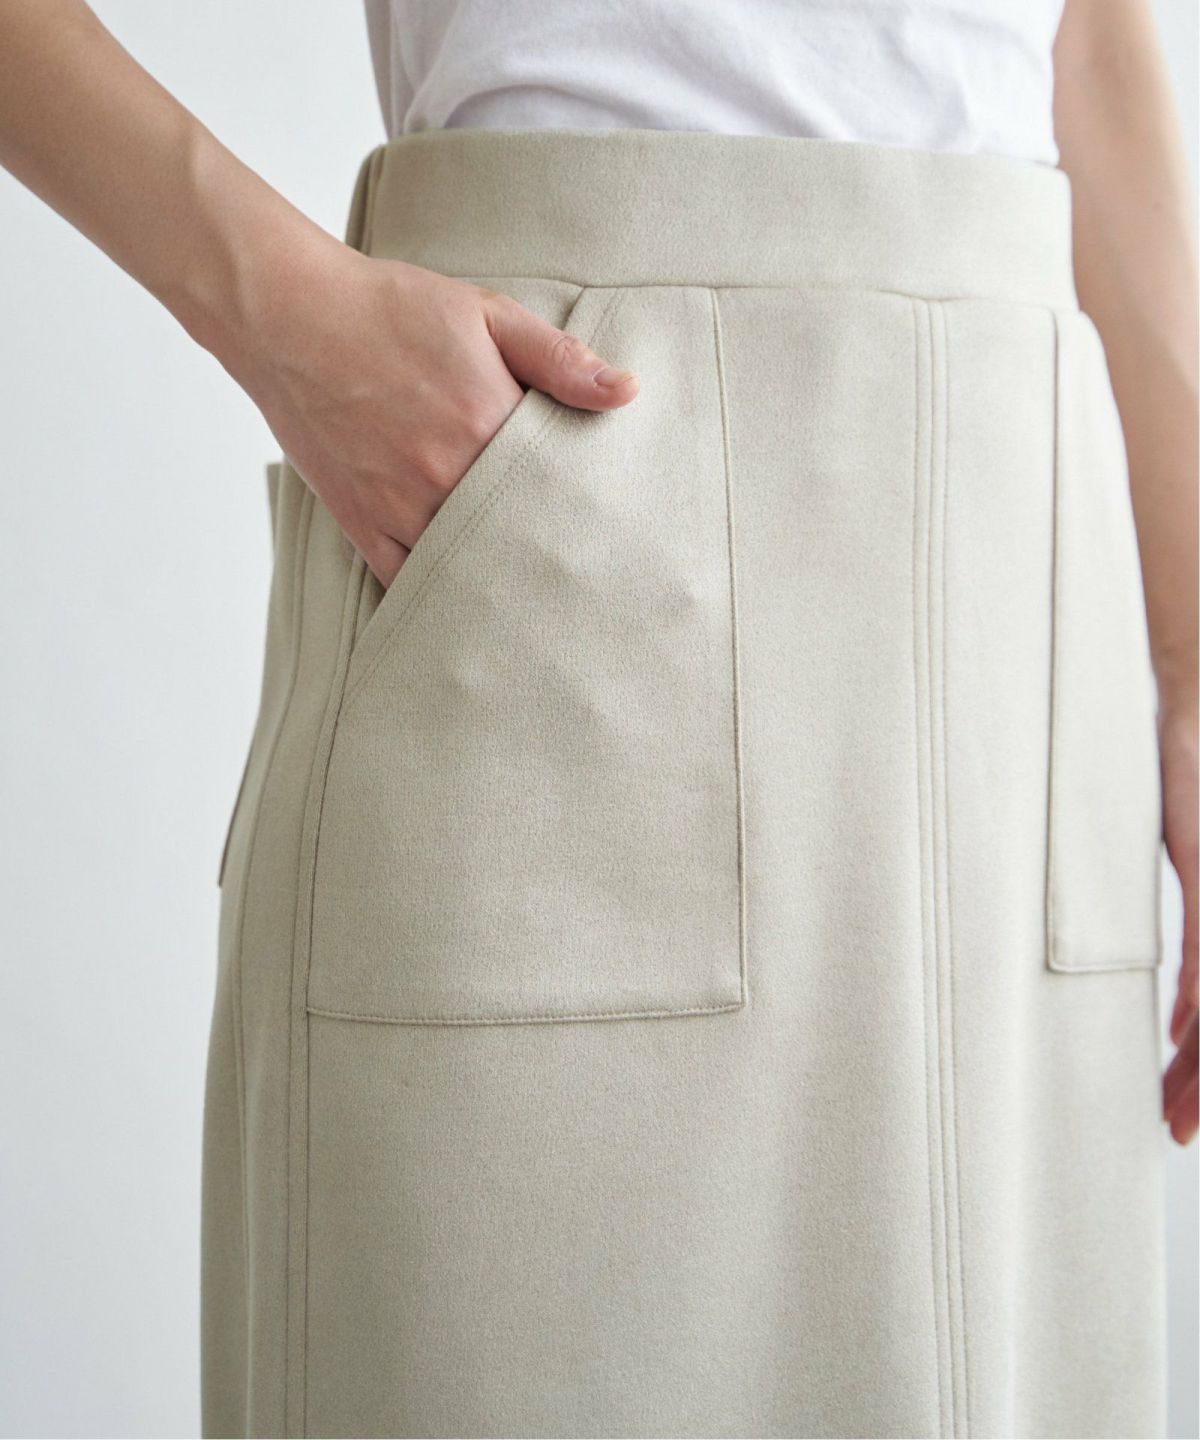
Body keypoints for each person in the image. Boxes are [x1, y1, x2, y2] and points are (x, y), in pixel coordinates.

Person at [2, 1, 1195, 1435]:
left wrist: (1193, 664)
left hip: (1020, 562)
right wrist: (281, 309)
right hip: (570, 446)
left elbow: (1096, 35)